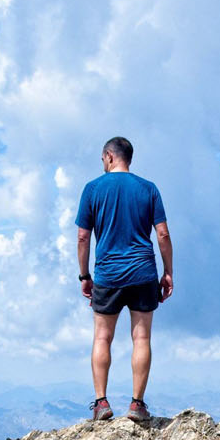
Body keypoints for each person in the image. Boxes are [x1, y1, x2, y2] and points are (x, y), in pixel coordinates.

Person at [75, 136, 173, 422]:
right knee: (141, 337)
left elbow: (82, 236)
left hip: (107, 273)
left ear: (108, 156)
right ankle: (137, 405)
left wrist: (84, 275)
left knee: (102, 337)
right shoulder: (148, 189)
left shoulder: (92, 189)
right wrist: (167, 272)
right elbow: (163, 234)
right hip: (143, 272)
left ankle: (101, 403)